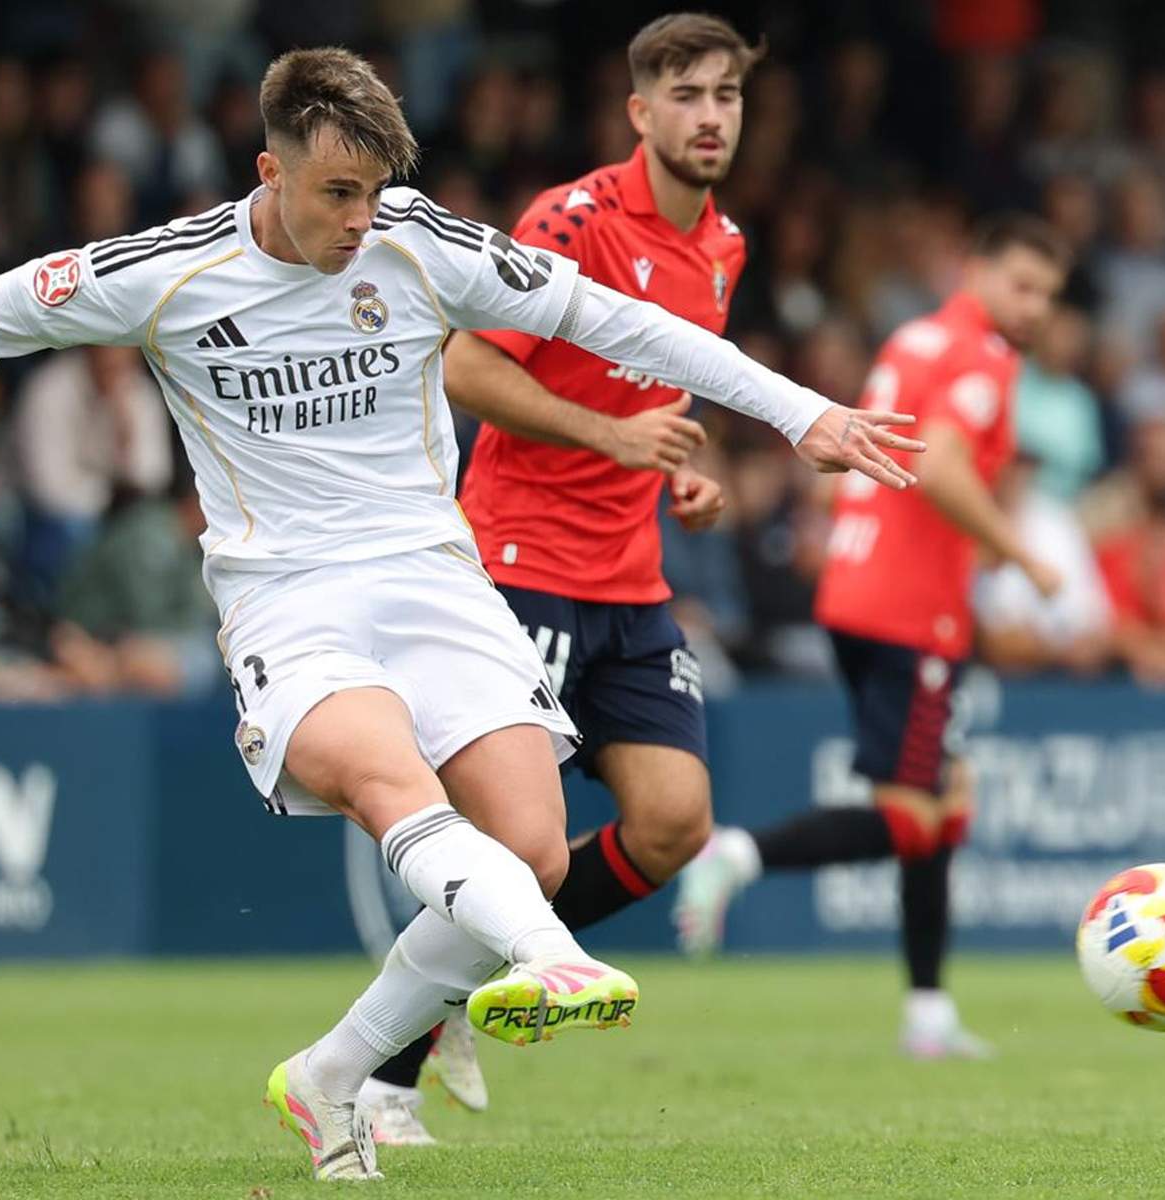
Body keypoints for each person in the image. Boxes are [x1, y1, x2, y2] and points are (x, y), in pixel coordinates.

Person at [0, 47, 920, 1183]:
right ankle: (548, 962)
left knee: (536, 846)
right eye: (336, 194)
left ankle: (327, 1075)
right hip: (287, 602)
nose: (361, 220)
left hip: (430, 579)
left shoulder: (423, 243)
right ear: (270, 170)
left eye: (373, 191)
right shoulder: (171, 270)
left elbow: (623, 326)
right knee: (392, 788)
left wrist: (799, 415)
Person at [356, 13, 764, 1147]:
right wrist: (610, 438)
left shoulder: (722, 246)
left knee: (676, 824)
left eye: (726, 96)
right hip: (520, 567)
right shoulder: (569, 222)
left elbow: (659, 402)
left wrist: (681, 473)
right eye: (686, 95)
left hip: (629, 579)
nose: (710, 116)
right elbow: (470, 362)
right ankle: (385, 1076)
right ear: (639, 112)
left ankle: (465, 997)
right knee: (512, 845)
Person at [672, 215, 1068, 1059]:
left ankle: (928, 1011)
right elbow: (944, 466)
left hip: (858, 589)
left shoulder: (914, 340)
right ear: (977, 270)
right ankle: (735, 854)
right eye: (1022, 286)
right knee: (915, 818)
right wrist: (1020, 554)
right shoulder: (983, 357)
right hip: (910, 609)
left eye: (1047, 295)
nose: (1033, 308)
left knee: (947, 800)